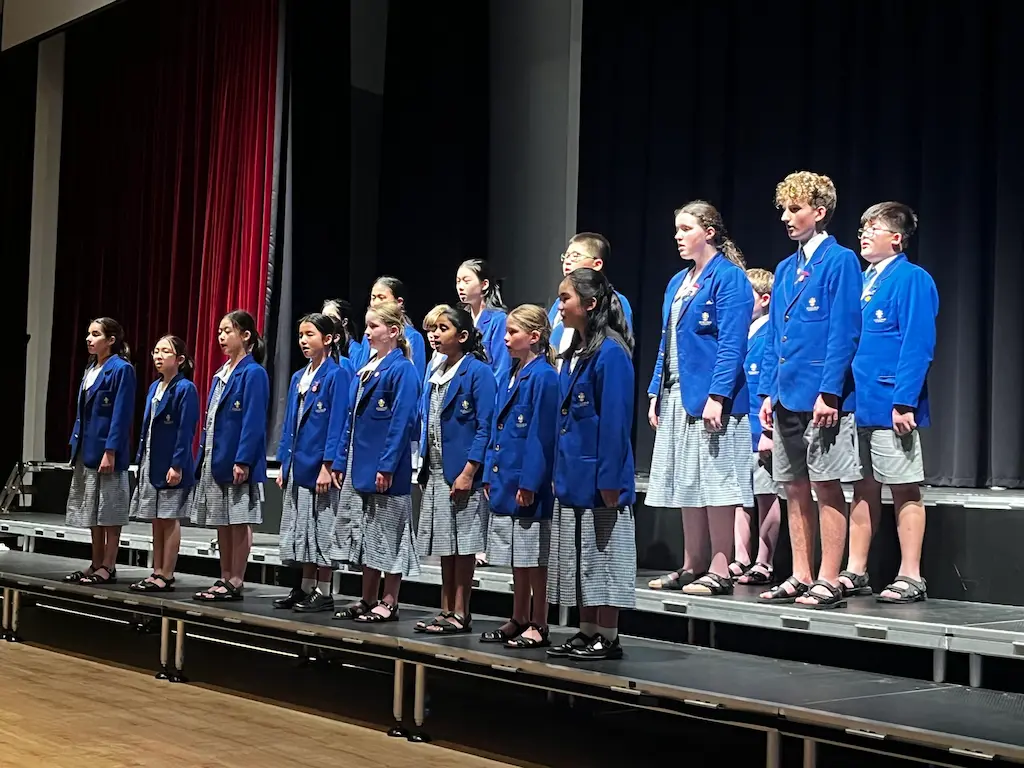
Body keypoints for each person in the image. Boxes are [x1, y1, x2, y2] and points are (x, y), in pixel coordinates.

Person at [757, 171, 862, 609]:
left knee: (826, 483)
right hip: (785, 394)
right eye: (784, 209)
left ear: (818, 213)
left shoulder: (840, 262)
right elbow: (773, 335)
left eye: (795, 209)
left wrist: (830, 392)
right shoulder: (785, 268)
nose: (787, 217)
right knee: (794, 486)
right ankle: (800, 574)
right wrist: (766, 390)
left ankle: (829, 576)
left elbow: (844, 331)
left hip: (821, 397)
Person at [645, 202, 754, 596]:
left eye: (686, 228)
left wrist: (718, 396)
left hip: (710, 399)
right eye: (676, 228)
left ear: (709, 231)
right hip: (678, 394)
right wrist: (656, 390)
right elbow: (665, 342)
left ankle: (721, 567)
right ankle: (692, 564)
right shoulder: (678, 281)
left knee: (717, 483)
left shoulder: (730, 279)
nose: (678, 235)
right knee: (686, 482)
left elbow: (732, 345)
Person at [840, 202, 937, 604]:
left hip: (889, 400)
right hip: (856, 402)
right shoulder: (862, 280)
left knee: (903, 487)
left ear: (895, 238)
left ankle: (911, 575)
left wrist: (904, 400)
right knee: (862, 489)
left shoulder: (912, 279)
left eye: (873, 228)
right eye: (862, 227)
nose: (863, 234)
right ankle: (856, 569)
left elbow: (917, 343)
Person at [546, 268, 636, 660]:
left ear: (590, 304)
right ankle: (586, 630)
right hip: (573, 476)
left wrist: (610, 479)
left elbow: (615, 423)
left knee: (604, 556)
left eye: (565, 298)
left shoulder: (611, 353)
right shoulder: (575, 353)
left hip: (601, 479)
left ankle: (608, 635)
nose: (559, 306)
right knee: (581, 558)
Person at [330, 299, 421, 623]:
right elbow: (349, 419)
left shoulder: (403, 370)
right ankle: (367, 597)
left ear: (393, 331)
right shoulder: (367, 369)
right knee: (368, 533)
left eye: (374, 327)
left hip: (386, 466)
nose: (367, 333)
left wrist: (386, 465)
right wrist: (341, 459)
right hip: (361, 462)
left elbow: (401, 422)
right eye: (367, 326)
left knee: (389, 534)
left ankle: (390, 599)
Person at [414, 305, 496, 634]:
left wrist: (469, 470)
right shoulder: (436, 371)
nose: (434, 334)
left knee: (463, 548)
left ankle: (461, 612)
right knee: (445, 546)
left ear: (462, 336)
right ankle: (445, 609)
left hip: (461, 473)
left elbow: (484, 425)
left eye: (443, 328)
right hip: (435, 471)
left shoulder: (477, 372)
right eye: (432, 329)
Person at [481, 304, 559, 648]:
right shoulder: (511, 373)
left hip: (527, 483)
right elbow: (497, 429)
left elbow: (542, 435)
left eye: (513, 332)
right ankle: (519, 615)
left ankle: (539, 621)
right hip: (505, 478)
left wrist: (530, 482)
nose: (506, 338)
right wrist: (488, 471)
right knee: (517, 557)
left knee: (534, 557)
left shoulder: (544, 376)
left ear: (535, 337)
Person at [274, 313, 354, 613]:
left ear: (328, 339)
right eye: (301, 335)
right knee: (301, 527)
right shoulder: (299, 377)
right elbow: (288, 424)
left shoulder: (337, 374)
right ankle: (305, 585)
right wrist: (284, 461)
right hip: (298, 463)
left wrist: (329, 464)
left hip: (319, 465)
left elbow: (338, 423)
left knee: (323, 526)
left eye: (310, 335)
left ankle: (324, 588)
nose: (304, 341)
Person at [191, 310, 270, 602]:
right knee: (221, 521)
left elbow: (253, 420)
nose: (221, 337)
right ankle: (224, 575)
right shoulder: (220, 373)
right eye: (220, 331)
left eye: (228, 331)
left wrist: (244, 459)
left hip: (237, 459)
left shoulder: (253, 373)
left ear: (245, 335)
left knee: (238, 520)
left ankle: (236, 578)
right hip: (216, 456)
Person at [63, 317, 137, 585]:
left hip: (106, 449)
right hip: (86, 447)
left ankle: (109, 564)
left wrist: (112, 449)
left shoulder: (121, 369)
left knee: (109, 508)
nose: (89, 338)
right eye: (88, 333)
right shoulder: (91, 368)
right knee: (92, 509)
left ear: (111, 340)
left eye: (95, 334)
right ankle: (95, 562)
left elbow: (121, 413)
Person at [128, 335, 199, 592]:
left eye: (165, 351)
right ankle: (156, 570)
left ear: (179, 359)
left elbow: (185, 430)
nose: (158, 356)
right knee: (156, 519)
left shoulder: (185, 388)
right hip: (150, 460)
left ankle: (167, 573)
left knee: (169, 518)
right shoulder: (153, 388)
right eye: (155, 351)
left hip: (171, 463)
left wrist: (177, 464)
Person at [736, 269, 783, 586]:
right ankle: (740, 558)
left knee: (766, 495)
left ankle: (763, 561)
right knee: (740, 498)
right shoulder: (740, 335)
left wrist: (769, 432)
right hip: (738, 430)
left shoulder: (770, 336)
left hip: (762, 430)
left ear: (765, 300)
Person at [548, 233, 634, 369]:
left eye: (576, 256)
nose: (568, 261)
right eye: (566, 256)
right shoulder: (557, 306)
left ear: (597, 264)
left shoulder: (614, 300)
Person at [456, 259, 511, 380]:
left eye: (466, 281)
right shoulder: (459, 319)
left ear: (484, 284)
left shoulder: (498, 320)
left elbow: (501, 368)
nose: (460, 287)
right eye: (458, 281)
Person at [368, 276, 426, 379]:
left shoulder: (412, 336)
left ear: (399, 302)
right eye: (373, 297)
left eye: (381, 298)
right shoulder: (369, 334)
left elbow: (414, 379)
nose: (375, 303)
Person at [322, 298, 364, 368]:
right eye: (323, 317)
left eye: (331, 317)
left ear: (344, 322)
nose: (325, 321)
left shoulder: (356, 351)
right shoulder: (322, 349)